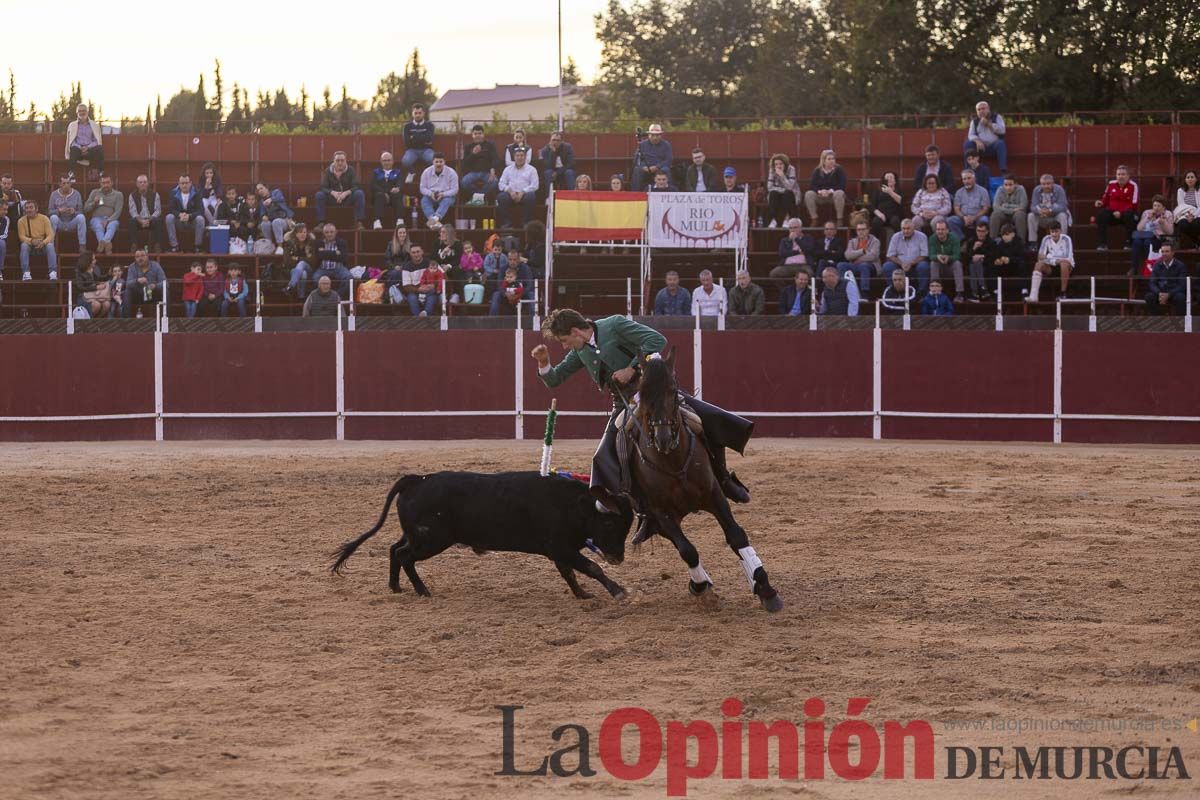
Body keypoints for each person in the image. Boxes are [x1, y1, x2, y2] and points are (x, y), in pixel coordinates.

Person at [532, 308, 754, 517]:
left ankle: (724, 481)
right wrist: (544, 362)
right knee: (603, 454)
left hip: (654, 391)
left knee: (707, 420)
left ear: (575, 331)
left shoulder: (614, 324)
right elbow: (555, 378)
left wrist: (631, 368)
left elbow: (657, 340)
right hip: (623, 403)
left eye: (563, 341)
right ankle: (638, 504)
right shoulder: (580, 351)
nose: (564, 347)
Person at [316, 151, 365, 229]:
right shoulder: (328, 171)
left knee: (359, 193)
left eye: (342, 160)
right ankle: (321, 223)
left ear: (346, 161)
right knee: (319, 195)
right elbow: (323, 187)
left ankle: (359, 223)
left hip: (347, 199)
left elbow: (356, 186)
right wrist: (333, 193)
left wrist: (345, 193)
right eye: (337, 160)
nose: (340, 163)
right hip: (332, 199)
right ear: (333, 161)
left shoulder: (351, 170)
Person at [1094, 165, 1139, 250]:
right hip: (1113, 213)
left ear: (1128, 176)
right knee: (1101, 215)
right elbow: (1105, 199)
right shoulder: (1111, 184)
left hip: (1126, 214)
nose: (1120, 177)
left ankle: (1128, 243)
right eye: (1118, 174)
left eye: (1123, 174)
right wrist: (1100, 203)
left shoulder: (1133, 185)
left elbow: (1134, 204)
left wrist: (1121, 212)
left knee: (1130, 214)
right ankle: (1103, 244)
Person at [1029, 221, 1074, 302]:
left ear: (1060, 231)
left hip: (1067, 268)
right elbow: (1040, 258)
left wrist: (1048, 257)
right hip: (1051, 267)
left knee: (1064, 264)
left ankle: (1063, 293)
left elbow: (1067, 257)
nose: (1054, 234)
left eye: (1056, 231)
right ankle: (1033, 296)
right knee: (1038, 264)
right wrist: (1056, 260)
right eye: (1052, 232)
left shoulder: (1067, 239)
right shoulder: (1046, 239)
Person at [885, 218, 931, 295]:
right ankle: (893, 291)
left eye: (908, 228)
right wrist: (902, 263)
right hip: (899, 265)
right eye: (904, 228)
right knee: (887, 266)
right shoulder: (895, 237)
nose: (906, 231)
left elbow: (924, 255)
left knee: (924, 266)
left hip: (916, 264)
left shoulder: (922, 237)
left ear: (913, 228)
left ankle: (922, 293)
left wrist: (911, 263)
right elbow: (890, 255)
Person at [1131, 195, 1173, 276]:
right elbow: (1139, 228)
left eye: (1158, 206)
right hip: (1144, 236)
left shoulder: (1168, 214)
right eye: (1154, 205)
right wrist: (1147, 218)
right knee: (1136, 242)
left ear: (1163, 207)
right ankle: (1134, 268)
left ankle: (1149, 266)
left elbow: (1170, 232)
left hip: (1158, 239)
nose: (1156, 208)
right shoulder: (1146, 212)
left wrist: (1163, 223)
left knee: (1148, 242)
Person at [497, 147, 539, 229]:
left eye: (522, 155)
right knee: (501, 197)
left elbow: (535, 185)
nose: (519, 157)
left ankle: (526, 223)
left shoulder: (532, 169)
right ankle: (507, 223)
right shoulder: (507, 169)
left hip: (524, 195)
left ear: (525, 157)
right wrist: (510, 191)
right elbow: (501, 184)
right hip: (511, 194)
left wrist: (522, 192)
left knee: (531, 196)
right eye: (517, 155)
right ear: (514, 157)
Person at [805, 149, 847, 226]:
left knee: (839, 193)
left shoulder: (839, 170)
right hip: (820, 196)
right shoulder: (817, 171)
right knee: (809, 194)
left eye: (833, 159)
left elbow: (842, 185)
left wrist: (830, 191)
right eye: (829, 159)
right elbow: (812, 185)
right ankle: (814, 219)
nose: (832, 161)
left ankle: (839, 219)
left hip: (833, 196)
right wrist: (820, 191)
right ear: (823, 160)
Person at [840, 220, 881, 299]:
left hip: (871, 266)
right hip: (855, 265)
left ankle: (864, 293)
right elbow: (847, 255)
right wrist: (862, 251)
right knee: (841, 265)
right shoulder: (852, 241)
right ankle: (843, 289)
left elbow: (873, 256)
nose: (861, 232)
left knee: (864, 265)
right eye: (859, 230)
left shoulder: (875, 241)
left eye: (863, 229)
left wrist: (858, 258)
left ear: (868, 230)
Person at [1027, 174, 1070, 247]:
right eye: (1043, 184)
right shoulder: (1036, 190)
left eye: (1048, 184)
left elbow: (1063, 206)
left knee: (1062, 216)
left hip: (1055, 217)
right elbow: (1033, 206)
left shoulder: (1059, 189)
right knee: (1031, 216)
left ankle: (1062, 241)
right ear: (1040, 184)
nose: (1046, 186)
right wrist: (1039, 211)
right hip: (1042, 216)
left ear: (1053, 183)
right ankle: (1033, 243)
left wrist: (1050, 210)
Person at [460, 124, 501, 202]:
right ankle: (480, 196)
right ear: (472, 135)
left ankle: (477, 197)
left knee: (495, 182)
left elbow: (495, 159)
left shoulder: (490, 145)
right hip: (473, 173)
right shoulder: (468, 147)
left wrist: (493, 170)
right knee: (464, 182)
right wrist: (473, 154)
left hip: (487, 172)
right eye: (475, 134)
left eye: (480, 133)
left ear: (483, 134)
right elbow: (464, 164)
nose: (478, 135)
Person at [18, 200, 57, 280]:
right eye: (27, 208)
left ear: (36, 209)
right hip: (30, 245)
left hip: (42, 245)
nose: (29, 210)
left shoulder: (44, 218)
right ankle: (26, 272)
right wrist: (32, 241)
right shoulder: (21, 221)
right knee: (24, 245)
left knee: (50, 245)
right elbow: (21, 237)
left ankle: (52, 272)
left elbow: (50, 235)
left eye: (31, 207)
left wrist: (43, 242)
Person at [1144, 242, 1187, 316]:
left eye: (1167, 251)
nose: (1164, 254)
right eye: (1162, 251)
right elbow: (1152, 283)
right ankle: (1157, 319)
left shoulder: (1180, 265)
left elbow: (1182, 285)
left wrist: (1169, 294)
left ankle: (1181, 323)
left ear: (1173, 253)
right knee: (1149, 297)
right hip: (1160, 292)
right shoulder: (1157, 265)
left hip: (1174, 293)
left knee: (1181, 298)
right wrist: (1159, 293)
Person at [928, 218, 965, 302]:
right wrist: (938, 257)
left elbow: (957, 255)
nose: (940, 232)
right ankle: (935, 292)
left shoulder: (954, 238)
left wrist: (948, 258)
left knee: (957, 263)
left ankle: (959, 293)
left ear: (947, 230)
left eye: (942, 229)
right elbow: (930, 255)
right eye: (938, 229)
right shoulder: (932, 238)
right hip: (939, 266)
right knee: (933, 263)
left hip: (950, 266)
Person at [84, 174, 123, 255]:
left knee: (112, 225)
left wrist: (108, 220)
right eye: (103, 183)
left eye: (108, 182)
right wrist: (94, 203)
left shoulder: (118, 195)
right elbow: (85, 209)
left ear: (112, 183)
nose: (105, 185)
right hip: (96, 218)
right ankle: (107, 244)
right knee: (98, 226)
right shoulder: (94, 192)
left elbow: (118, 211)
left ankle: (102, 243)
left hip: (112, 218)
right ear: (100, 183)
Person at [166, 174, 206, 253]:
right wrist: (179, 215)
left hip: (192, 221)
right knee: (169, 217)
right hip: (179, 221)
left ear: (190, 183)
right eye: (182, 183)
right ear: (179, 183)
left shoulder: (197, 192)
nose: (184, 185)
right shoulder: (173, 193)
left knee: (200, 219)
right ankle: (174, 246)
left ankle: (197, 247)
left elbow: (200, 210)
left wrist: (190, 216)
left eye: (186, 183)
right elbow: (171, 209)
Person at [419, 152, 459, 230]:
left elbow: (455, 189)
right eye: (436, 162)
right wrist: (430, 194)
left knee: (447, 201)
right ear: (433, 162)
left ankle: (434, 219)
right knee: (424, 201)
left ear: (444, 162)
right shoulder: (426, 172)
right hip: (431, 194)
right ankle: (434, 222)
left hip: (446, 195)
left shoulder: (452, 173)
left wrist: (443, 194)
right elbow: (422, 188)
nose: (439, 164)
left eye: (441, 162)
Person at [122, 248, 165, 317]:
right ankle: (127, 319)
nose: (140, 258)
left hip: (152, 293)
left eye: (142, 256)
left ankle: (166, 317)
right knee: (127, 291)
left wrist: (155, 286)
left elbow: (164, 282)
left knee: (165, 289)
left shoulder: (155, 265)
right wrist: (137, 280)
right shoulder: (132, 267)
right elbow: (128, 284)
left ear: (147, 256)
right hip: (138, 295)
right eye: (137, 257)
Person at [965, 101, 1007, 173]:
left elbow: (1002, 130)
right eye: (979, 109)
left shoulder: (996, 117)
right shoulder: (975, 121)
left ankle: (1003, 170)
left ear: (988, 109)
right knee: (968, 144)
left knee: (1001, 144)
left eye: (983, 108)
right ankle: (968, 170)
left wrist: (989, 124)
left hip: (993, 146)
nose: (981, 111)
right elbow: (971, 135)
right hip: (980, 147)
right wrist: (977, 141)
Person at [948, 168, 990, 239]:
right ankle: (962, 240)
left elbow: (986, 208)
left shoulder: (983, 191)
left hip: (978, 217)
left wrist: (974, 217)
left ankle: (981, 241)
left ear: (974, 179)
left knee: (984, 220)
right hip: (963, 218)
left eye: (969, 178)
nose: (967, 181)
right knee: (950, 221)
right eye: (964, 179)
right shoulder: (959, 192)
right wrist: (963, 217)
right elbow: (956, 208)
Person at [489, 248, 533, 316]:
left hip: (522, 293)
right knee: (496, 295)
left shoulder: (525, 268)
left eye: (514, 260)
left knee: (531, 295)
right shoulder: (503, 268)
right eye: (510, 259)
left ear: (518, 259)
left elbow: (529, 286)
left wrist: (520, 294)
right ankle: (492, 322)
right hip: (507, 294)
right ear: (507, 259)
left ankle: (534, 321)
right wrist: (505, 294)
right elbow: (499, 285)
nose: (512, 262)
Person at [48, 175, 86, 250]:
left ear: (70, 184)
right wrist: (58, 211)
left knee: (81, 217)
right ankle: (50, 245)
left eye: (68, 183)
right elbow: (49, 212)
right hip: (60, 223)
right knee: (53, 218)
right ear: (59, 184)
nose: (66, 185)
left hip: (72, 222)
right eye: (64, 183)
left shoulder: (77, 194)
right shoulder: (54, 194)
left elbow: (81, 211)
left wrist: (74, 212)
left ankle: (82, 245)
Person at [770, 217, 815, 282]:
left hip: (803, 265)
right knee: (773, 274)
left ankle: (806, 291)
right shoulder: (785, 240)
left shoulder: (808, 238)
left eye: (795, 227)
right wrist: (798, 252)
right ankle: (785, 290)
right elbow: (782, 253)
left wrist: (796, 239)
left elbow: (808, 250)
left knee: (810, 273)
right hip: (787, 266)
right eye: (790, 228)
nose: (792, 230)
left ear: (800, 228)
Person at [127, 175, 164, 253]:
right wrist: (141, 221)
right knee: (131, 222)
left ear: (148, 184)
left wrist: (149, 220)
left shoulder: (155, 195)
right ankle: (134, 245)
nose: (143, 184)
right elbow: (133, 211)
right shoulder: (132, 196)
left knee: (159, 221)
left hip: (151, 219)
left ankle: (157, 245)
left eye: (144, 182)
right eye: (140, 182)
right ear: (137, 184)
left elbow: (158, 210)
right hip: (138, 220)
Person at [313, 223, 351, 297]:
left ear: (335, 232)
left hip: (338, 268)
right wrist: (335, 253)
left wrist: (325, 253)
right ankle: (325, 296)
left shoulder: (342, 242)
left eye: (331, 232)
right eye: (327, 232)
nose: (329, 234)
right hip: (323, 268)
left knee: (349, 278)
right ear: (323, 233)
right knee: (315, 278)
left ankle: (336, 296)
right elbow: (319, 255)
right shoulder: (319, 243)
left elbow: (343, 257)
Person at [401, 103, 436, 183]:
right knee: (405, 161)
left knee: (433, 160)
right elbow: (407, 142)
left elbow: (429, 139)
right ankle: (411, 173)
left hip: (426, 150)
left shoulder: (429, 125)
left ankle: (428, 176)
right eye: (415, 113)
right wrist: (423, 137)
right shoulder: (407, 126)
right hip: (412, 150)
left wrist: (413, 137)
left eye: (420, 113)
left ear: (423, 113)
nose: (418, 115)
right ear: (412, 114)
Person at [65, 103, 104, 175]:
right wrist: (81, 148)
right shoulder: (72, 125)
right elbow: (71, 141)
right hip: (78, 150)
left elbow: (96, 140)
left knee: (100, 148)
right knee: (73, 149)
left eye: (84, 110)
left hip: (90, 150)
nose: (82, 112)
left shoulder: (94, 125)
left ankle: (101, 172)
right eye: (79, 111)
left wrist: (87, 148)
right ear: (77, 113)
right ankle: (71, 174)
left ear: (87, 112)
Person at [632, 123, 673, 191]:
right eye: (652, 135)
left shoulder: (666, 145)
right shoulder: (642, 144)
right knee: (637, 170)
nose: (655, 137)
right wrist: (643, 167)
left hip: (660, 168)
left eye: (657, 135)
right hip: (646, 168)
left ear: (661, 135)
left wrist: (657, 167)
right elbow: (636, 159)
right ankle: (635, 195)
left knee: (666, 170)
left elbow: (669, 160)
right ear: (649, 135)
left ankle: (668, 194)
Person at [964, 221, 998, 300]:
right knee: (974, 264)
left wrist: (982, 256)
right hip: (973, 267)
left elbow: (993, 257)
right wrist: (973, 249)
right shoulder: (971, 241)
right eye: (978, 231)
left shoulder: (992, 242)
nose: (980, 233)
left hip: (987, 267)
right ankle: (983, 289)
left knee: (976, 263)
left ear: (987, 232)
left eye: (982, 231)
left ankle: (974, 292)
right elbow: (966, 258)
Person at [282, 223, 318, 297]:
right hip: (293, 270)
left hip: (309, 270)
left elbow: (313, 260)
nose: (303, 234)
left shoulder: (311, 243)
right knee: (303, 273)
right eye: (300, 232)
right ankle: (301, 296)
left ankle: (290, 286)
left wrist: (297, 258)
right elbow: (287, 261)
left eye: (304, 232)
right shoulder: (289, 244)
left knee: (302, 263)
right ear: (295, 234)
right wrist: (305, 260)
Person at [370, 152, 404, 229]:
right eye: (384, 160)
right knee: (379, 195)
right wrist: (384, 193)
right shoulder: (376, 172)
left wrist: (398, 188)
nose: (387, 162)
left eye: (389, 160)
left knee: (398, 195)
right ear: (381, 162)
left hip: (393, 196)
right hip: (380, 196)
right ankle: (377, 221)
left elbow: (401, 182)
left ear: (392, 161)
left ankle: (400, 221)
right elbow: (373, 185)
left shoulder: (397, 172)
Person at [255, 182, 293, 247]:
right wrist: (263, 216)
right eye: (258, 190)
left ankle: (280, 246)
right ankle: (269, 245)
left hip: (284, 220)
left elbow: (280, 198)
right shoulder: (262, 201)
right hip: (271, 221)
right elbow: (262, 213)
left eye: (261, 188)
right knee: (264, 224)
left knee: (276, 222)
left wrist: (271, 199)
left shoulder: (276, 192)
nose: (260, 191)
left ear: (267, 188)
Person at [870, 171, 904, 244]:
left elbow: (901, 201)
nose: (889, 179)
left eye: (891, 177)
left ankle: (899, 244)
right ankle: (875, 244)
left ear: (895, 180)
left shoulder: (899, 190)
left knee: (895, 221)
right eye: (887, 178)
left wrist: (890, 192)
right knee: (875, 222)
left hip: (894, 215)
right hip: (881, 215)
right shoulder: (878, 191)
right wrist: (879, 214)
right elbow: (872, 205)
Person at [766, 154, 799, 227]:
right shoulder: (772, 170)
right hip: (778, 193)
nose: (778, 166)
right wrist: (781, 190)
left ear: (785, 164)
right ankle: (773, 219)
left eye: (780, 164)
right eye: (776, 164)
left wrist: (782, 176)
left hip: (792, 194)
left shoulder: (791, 169)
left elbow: (790, 187)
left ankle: (787, 219)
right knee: (773, 194)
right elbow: (769, 187)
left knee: (787, 193)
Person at [990, 175, 1027, 240]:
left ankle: (1021, 242)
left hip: (1016, 215)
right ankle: (992, 241)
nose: (1008, 187)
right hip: (1003, 214)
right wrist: (1012, 210)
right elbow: (995, 206)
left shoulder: (1021, 189)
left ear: (1015, 184)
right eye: (1006, 185)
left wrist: (1006, 205)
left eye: (1010, 185)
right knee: (995, 214)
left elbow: (1023, 206)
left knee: (1020, 214)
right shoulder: (1000, 189)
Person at [1173, 170, 1200, 247]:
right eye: (1188, 177)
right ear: (1185, 180)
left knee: (1196, 224)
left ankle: (1195, 243)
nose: (1190, 179)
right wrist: (1188, 215)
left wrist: (1193, 215)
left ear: (1196, 179)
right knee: (1183, 225)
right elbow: (1181, 206)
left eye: (1192, 177)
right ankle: (1196, 242)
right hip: (1185, 213)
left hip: (1197, 213)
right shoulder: (1180, 191)